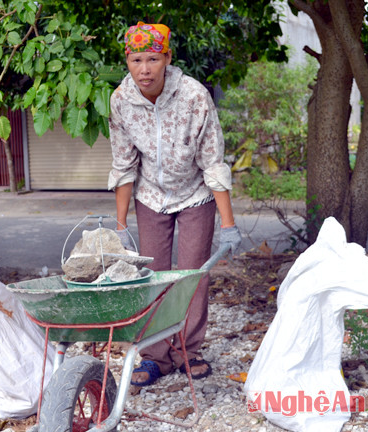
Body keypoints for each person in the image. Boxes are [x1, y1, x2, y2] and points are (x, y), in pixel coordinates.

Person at [107, 22, 242, 387]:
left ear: (167, 58)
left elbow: (213, 162)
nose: (145, 69)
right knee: (153, 278)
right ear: (128, 60)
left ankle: (188, 351)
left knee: (192, 276)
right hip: (151, 195)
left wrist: (228, 224)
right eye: (137, 60)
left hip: (196, 193)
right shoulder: (121, 100)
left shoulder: (194, 96)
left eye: (153, 59)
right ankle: (155, 356)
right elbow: (123, 164)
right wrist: (120, 227)